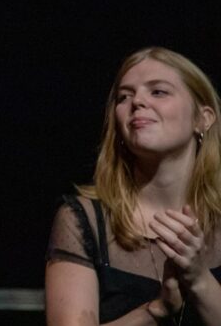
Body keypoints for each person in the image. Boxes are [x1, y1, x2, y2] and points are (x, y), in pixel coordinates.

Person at [46, 47, 221, 325]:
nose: (137, 101)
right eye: (124, 96)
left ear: (203, 118)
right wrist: (158, 309)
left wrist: (199, 278)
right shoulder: (83, 220)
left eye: (158, 92)